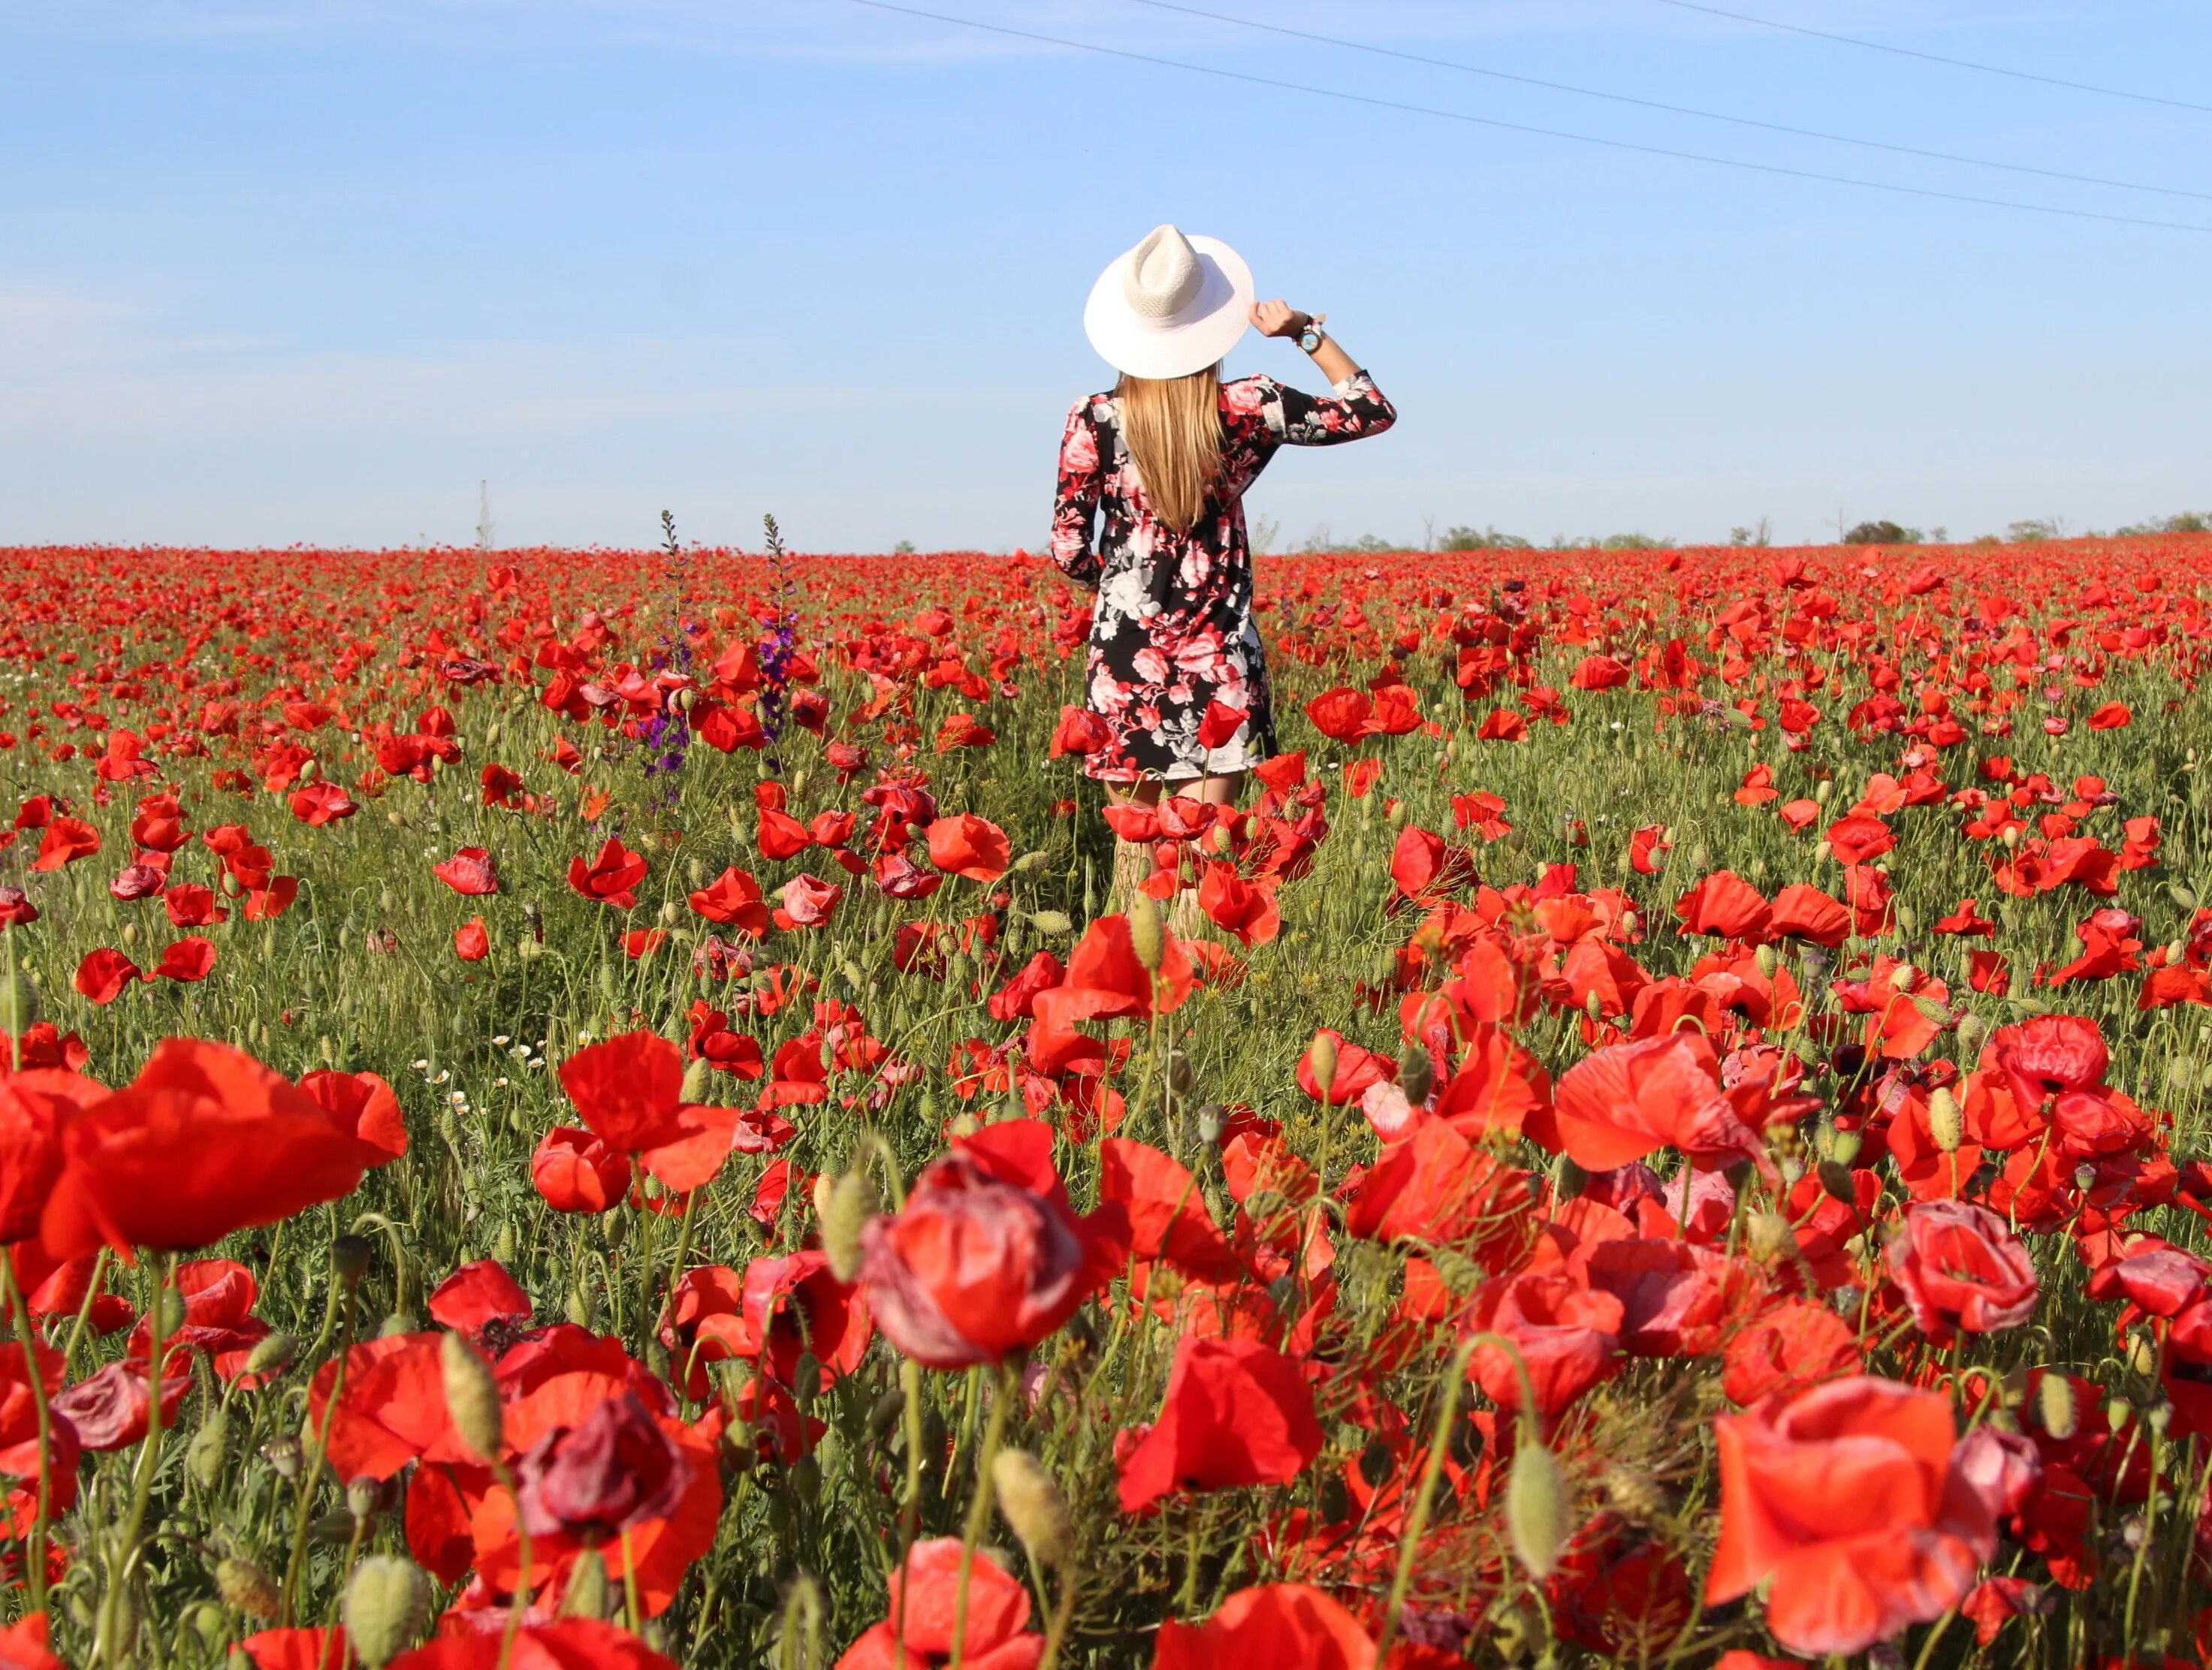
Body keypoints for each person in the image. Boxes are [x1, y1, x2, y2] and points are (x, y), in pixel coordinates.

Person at [1050, 223, 1396, 903]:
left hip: (1126, 658)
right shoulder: (1247, 406)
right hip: (1219, 657)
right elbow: (1370, 411)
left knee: (1137, 864)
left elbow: (1066, 548)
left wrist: (1119, 586)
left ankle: (1139, 997)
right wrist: (1303, 332)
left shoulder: (1092, 418)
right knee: (1205, 862)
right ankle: (1196, 993)